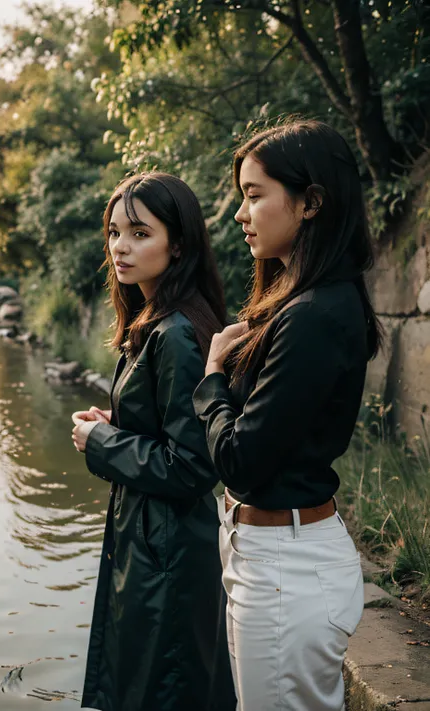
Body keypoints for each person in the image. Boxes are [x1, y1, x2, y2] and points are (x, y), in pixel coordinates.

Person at [192, 118, 382, 711]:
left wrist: (213, 378)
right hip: (272, 556)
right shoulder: (309, 303)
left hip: (287, 567)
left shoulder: (314, 315)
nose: (240, 215)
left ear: (310, 203)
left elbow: (241, 462)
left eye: (254, 196)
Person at [71, 172, 236, 711]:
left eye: (140, 233)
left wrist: (101, 442)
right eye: (115, 232)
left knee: (162, 690)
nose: (121, 246)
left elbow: (192, 465)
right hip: (150, 538)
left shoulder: (178, 333)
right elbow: (168, 426)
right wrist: (117, 423)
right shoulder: (155, 320)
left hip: (166, 548)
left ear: (179, 243)